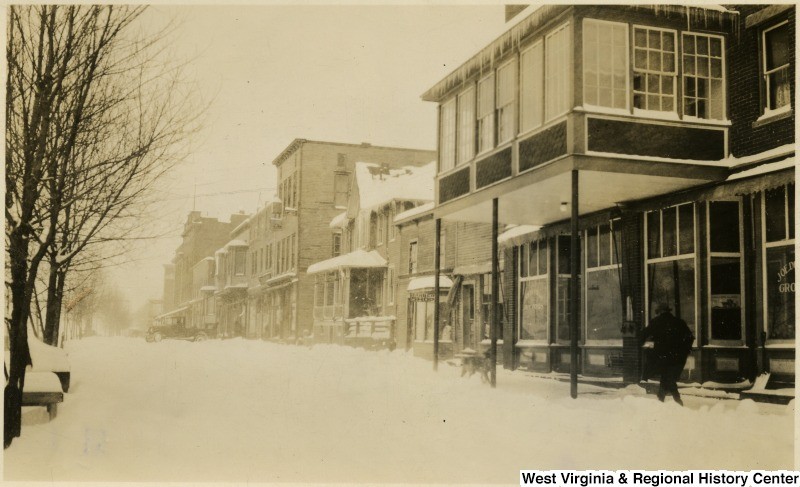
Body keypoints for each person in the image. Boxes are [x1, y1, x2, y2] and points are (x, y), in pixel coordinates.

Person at [640, 302, 694, 405]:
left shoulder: (655, 322)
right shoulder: (679, 322)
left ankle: (672, 401)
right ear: (668, 311)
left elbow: (642, 337)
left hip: (661, 358)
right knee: (668, 378)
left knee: (667, 378)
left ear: (659, 312)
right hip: (677, 359)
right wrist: (684, 351)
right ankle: (671, 401)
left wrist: (650, 347)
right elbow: (690, 338)